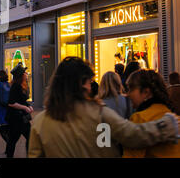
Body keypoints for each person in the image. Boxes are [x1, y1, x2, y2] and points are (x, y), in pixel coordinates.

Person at [28, 57, 180, 158]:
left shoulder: (40, 122)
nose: (90, 86)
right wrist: (165, 126)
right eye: (88, 81)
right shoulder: (99, 114)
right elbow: (133, 135)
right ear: (81, 84)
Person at [124, 69, 180, 157]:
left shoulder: (140, 118)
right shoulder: (173, 116)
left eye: (131, 89)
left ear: (146, 92)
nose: (128, 94)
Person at [5, 65, 32, 158]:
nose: (26, 74)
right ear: (21, 75)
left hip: (21, 118)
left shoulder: (22, 85)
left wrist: (28, 106)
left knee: (30, 138)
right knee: (12, 140)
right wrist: (25, 108)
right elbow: (11, 103)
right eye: (24, 73)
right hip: (15, 118)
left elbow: (21, 100)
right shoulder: (15, 86)